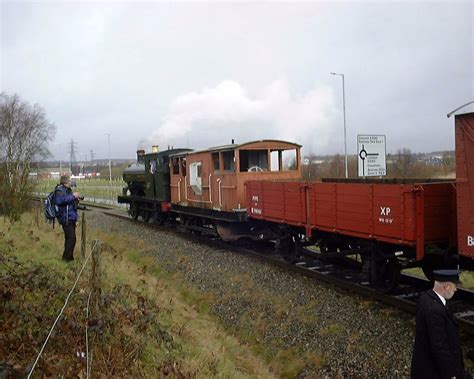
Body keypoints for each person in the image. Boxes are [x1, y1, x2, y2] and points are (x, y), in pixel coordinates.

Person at [411, 269, 471, 379]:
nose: (456, 289)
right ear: (446, 286)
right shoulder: (435, 310)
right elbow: (439, 346)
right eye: (454, 286)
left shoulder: (425, 298)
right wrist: (450, 374)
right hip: (433, 371)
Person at [55, 175, 81, 262]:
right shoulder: (59, 190)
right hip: (65, 218)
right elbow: (60, 201)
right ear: (66, 182)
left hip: (71, 217)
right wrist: (73, 196)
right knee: (72, 238)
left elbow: (70, 204)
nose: (71, 182)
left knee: (69, 238)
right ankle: (66, 259)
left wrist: (76, 199)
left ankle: (69, 258)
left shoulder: (68, 190)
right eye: (70, 180)